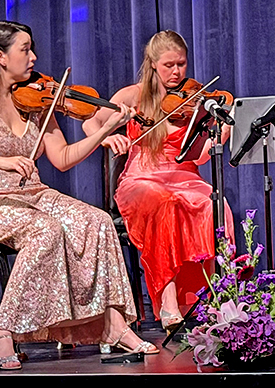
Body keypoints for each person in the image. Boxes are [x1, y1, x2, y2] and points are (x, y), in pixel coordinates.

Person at [0, 21, 156, 370]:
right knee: (45, 230)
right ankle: (2, 331)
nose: (34, 57)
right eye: (25, 50)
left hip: (31, 194)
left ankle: (114, 325)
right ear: (0, 57)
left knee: (97, 221)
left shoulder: (36, 101)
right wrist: (0, 161)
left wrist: (104, 131)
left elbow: (63, 158)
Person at [82, 30, 233, 334]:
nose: (176, 72)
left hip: (185, 176)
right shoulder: (132, 95)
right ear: (153, 64)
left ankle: (215, 298)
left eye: (181, 64)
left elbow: (201, 157)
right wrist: (107, 137)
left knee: (214, 206)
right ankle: (168, 300)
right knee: (163, 203)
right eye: (169, 65)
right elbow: (91, 121)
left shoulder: (196, 100)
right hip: (142, 177)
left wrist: (222, 134)